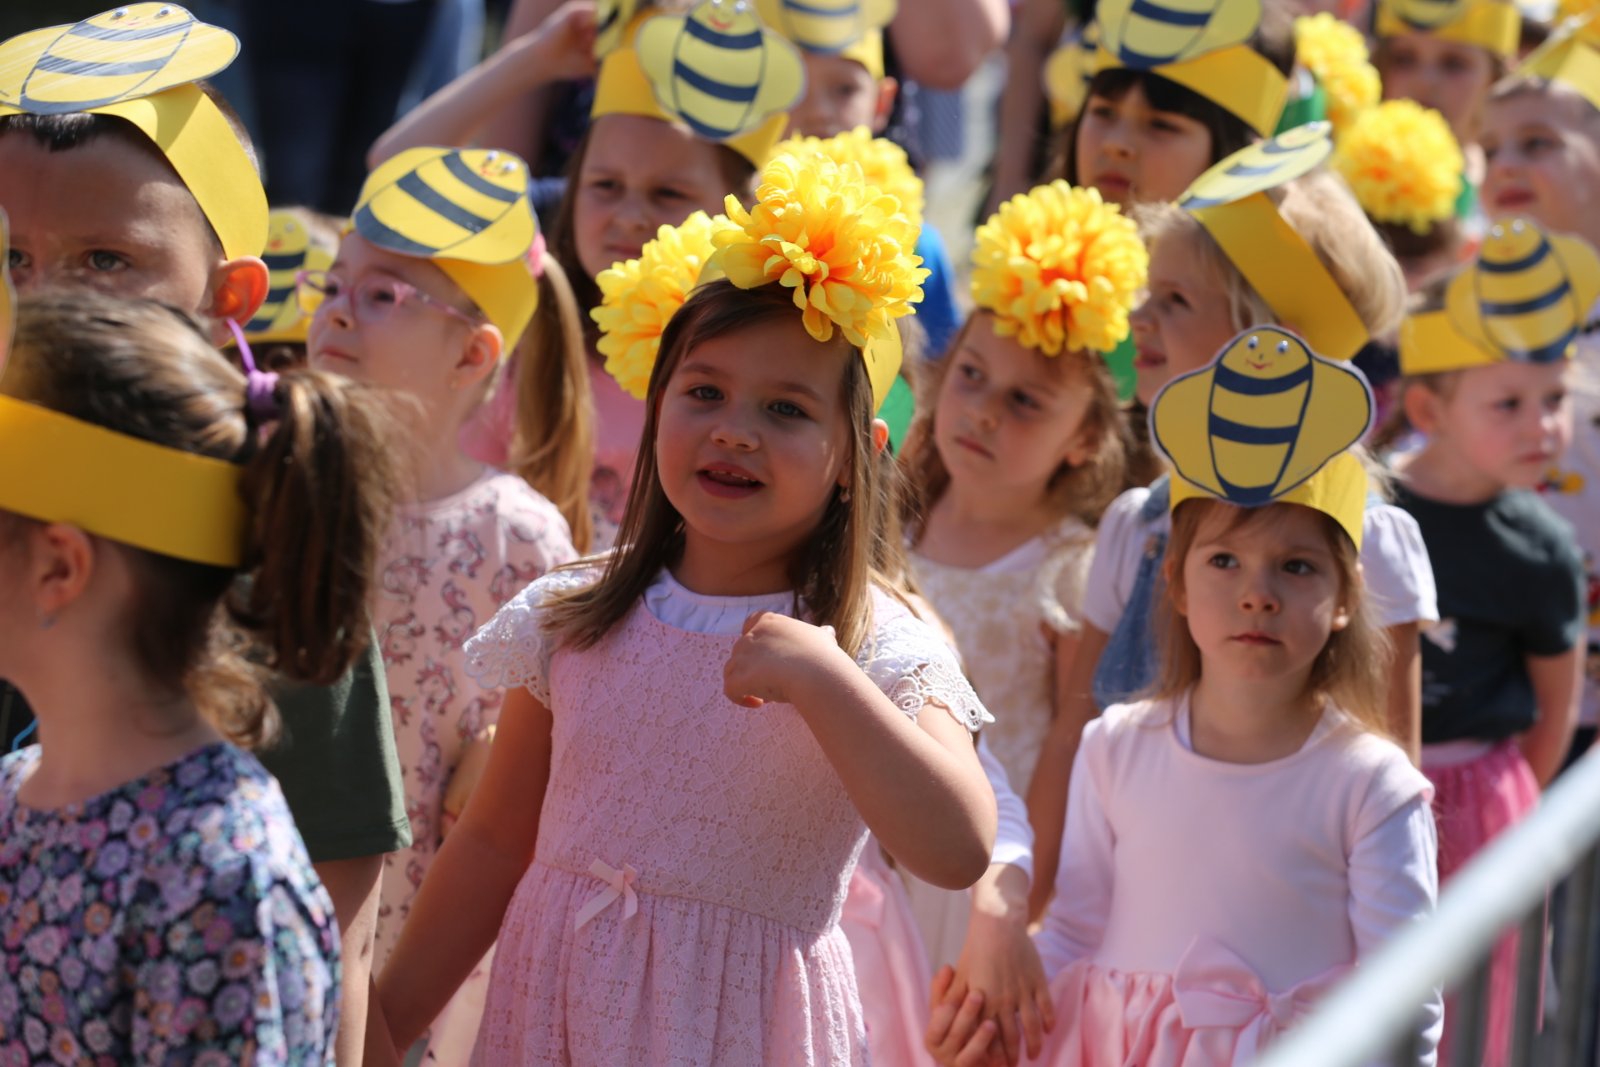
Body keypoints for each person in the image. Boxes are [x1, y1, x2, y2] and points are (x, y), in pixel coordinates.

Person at [371, 147, 997, 1066]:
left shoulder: (872, 645)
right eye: (704, 392)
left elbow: (957, 845)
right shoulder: (573, 617)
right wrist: (381, 1025)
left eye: (787, 409)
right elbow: (498, 840)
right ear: (657, 404)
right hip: (556, 1020)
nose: (735, 428)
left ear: (857, 452)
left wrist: (828, 682)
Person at [0, 10, 412, 1059]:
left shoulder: (273, 527)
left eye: (104, 259)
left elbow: (341, 910)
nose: (47, 302)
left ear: (231, 290)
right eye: (17, 258)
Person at [933, 326, 1441, 1067]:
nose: (1257, 595)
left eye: (1297, 567)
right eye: (1224, 560)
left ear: (1344, 596)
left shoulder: (1371, 783)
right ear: (1173, 579)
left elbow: (1406, 995)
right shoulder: (1115, 747)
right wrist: (992, 1026)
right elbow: (1076, 928)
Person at [1024, 126, 1435, 918]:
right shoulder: (1135, 526)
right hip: (1128, 948)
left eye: (1174, 301)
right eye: (1146, 295)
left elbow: (1392, 780)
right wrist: (1018, 923)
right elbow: (1073, 736)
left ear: (1268, 339)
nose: (1140, 320)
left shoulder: (1368, 540)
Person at [303, 145, 584, 1060]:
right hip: (281, 897)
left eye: (382, 294)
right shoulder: (275, 483)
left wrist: (509, 746)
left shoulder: (519, 538)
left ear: (472, 351)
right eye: (334, 283)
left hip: (429, 936)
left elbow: (566, 739)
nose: (337, 308)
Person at [370, 0, 793, 546]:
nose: (629, 215)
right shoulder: (529, 305)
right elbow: (394, 170)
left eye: (669, 193)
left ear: (738, 207)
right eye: (604, 186)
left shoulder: (762, 340)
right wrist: (533, 59)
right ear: (573, 189)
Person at [897, 178, 1144, 1064]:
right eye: (971, 377)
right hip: (859, 861)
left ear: (1084, 437)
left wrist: (1020, 904)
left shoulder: (1071, 571)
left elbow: (1065, 743)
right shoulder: (892, 529)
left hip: (977, 889)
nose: (984, 412)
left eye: (1026, 401)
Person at [1391, 218, 1594, 1065]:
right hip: (1376, 789)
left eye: (1553, 399)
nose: (1541, 426)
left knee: (1478, 1011)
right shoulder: (1374, 513)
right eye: (1508, 403)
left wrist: (1494, 794)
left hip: (1481, 800)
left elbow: (1555, 714)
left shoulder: (1545, 551)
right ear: (1430, 407)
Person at [1480, 20, 1600, 760]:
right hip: (1502, 699)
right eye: (1490, 149)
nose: (1504, 164)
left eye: (1537, 143)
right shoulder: (1470, 325)